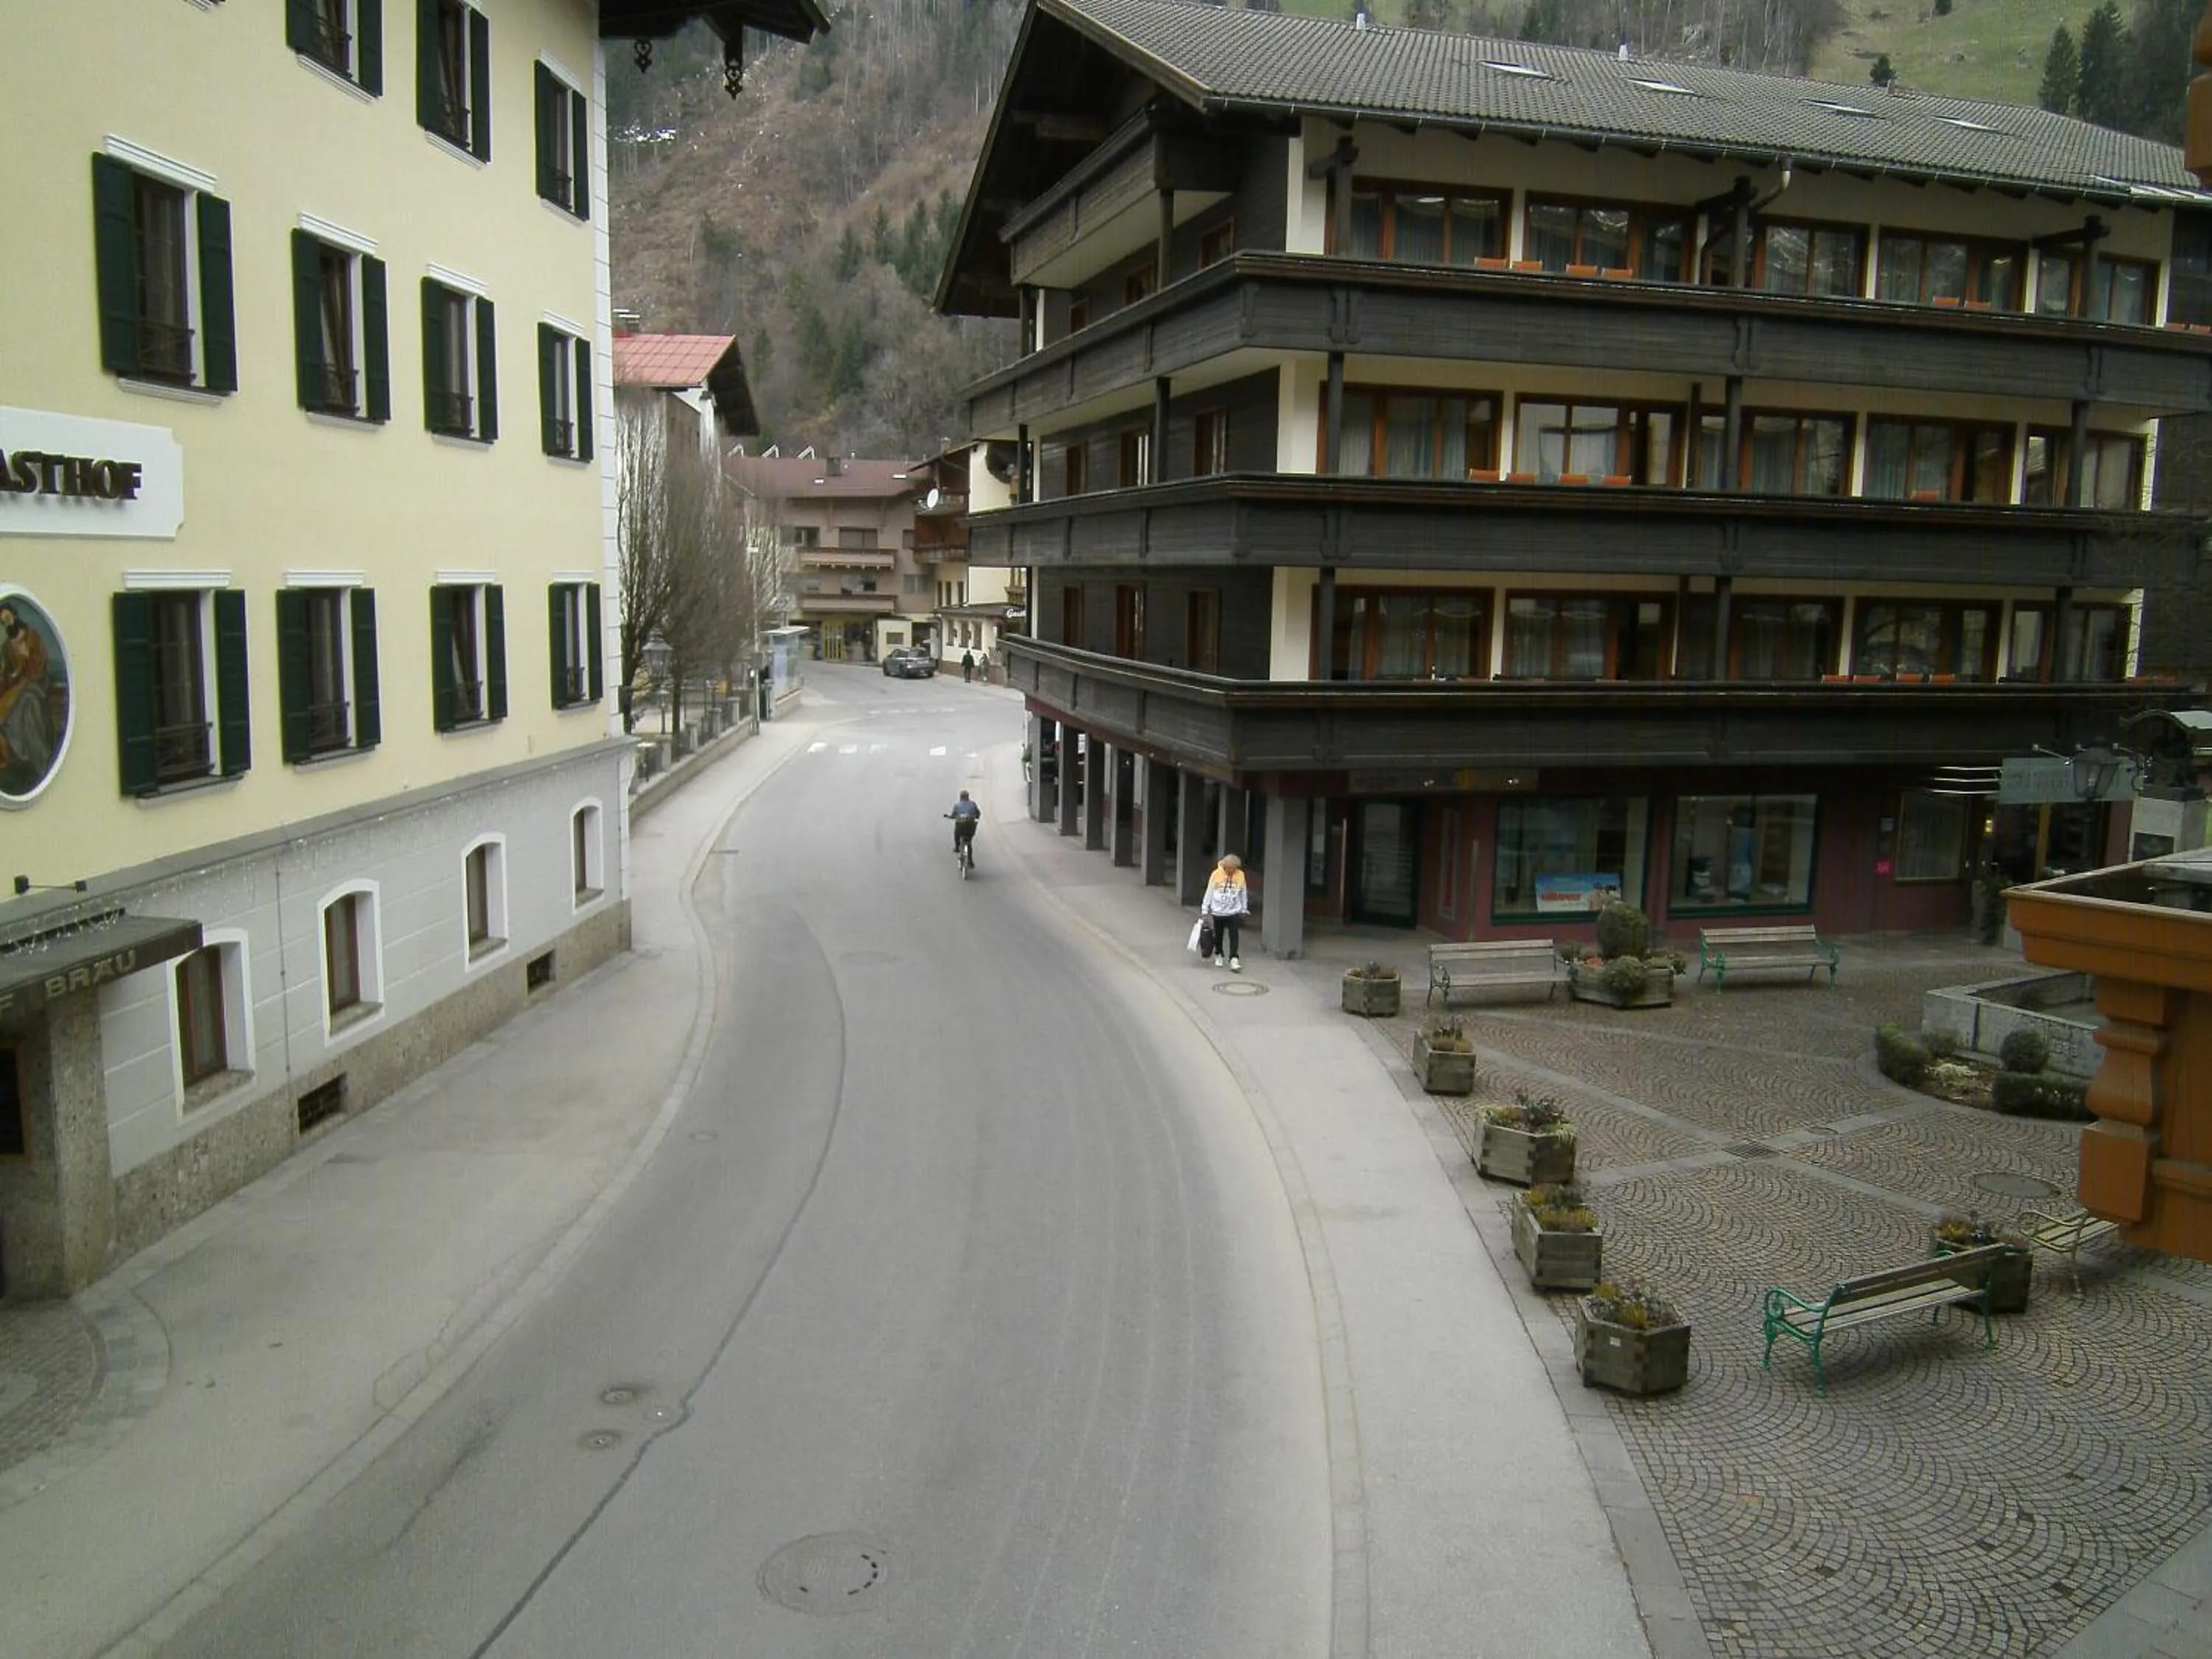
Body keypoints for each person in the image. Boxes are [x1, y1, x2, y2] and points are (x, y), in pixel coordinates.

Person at [1200, 852, 1248, 971]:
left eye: (1233, 869)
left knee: (1234, 935)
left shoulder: (1240, 875)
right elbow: (1209, 892)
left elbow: (1243, 892)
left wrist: (1244, 908)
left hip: (1233, 911)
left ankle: (1233, 958)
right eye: (1229, 869)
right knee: (1219, 935)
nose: (1231, 871)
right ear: (1225, 866)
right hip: (1218, 912)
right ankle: (1219, 954)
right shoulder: (1216, 874)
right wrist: (1205, 909)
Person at [946, 789, 981, 864]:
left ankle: (957, 847)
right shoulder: (973, 804)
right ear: (968, 797)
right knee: (969, 842)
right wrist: (976, 816)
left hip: (960, 828)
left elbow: (953, 816)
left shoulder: (957, 805)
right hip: (970, 828)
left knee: (956, 832)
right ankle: (970, 861)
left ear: (960, 797)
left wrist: (948, 816)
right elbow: (978, 814)